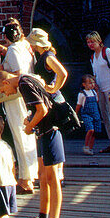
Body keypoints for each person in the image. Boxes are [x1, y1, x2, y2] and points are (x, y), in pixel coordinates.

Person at [0, 68, 65, 218]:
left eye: (3, 91)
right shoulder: (27, 79)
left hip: (51, 132)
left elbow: (43, 110)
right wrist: (31, 118)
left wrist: (29, 127)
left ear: (6, 82)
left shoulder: (23, 84)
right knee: (43, 177)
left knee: (53, 178)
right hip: (45, 132)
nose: (5, 94)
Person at [0, 18, 38, 192]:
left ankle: (26, 179)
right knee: (26, 133)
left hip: (14, 95)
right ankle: (30, 173)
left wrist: (0, 70)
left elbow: (18, 73)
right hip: (25, 94)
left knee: (21, 134)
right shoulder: (24, 47)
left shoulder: (13, 50)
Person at [26, 27, 69, 183]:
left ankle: (58, 174)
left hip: (53, 100)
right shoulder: (43, 56)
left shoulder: (48, 57)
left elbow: (63, 73)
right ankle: (56, 174)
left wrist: (53, 88)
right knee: (51, 134)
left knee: (53, 133)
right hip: (49, 99)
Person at [85, 31, 110, 156]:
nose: (91, 44)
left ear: (99, 41)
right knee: (105, 116)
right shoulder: (93, 57)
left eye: (93, 42)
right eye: (88, 42)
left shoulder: (107, 52)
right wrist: (95, 87)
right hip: (101, 89)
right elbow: (95, 74)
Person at [75, 74, 102, 155]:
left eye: (93, 83)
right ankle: (86, 146)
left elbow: (96, 101)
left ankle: (90, 148)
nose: (92, 85)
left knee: (95, 132)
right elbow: (79, 105)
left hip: (95, 114)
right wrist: (75, 115)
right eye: (90, 83)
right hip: (87, 114)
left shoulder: (94, 92)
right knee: (90, 129)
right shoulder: (82, 94)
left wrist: (97, 92)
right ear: (84, 84)